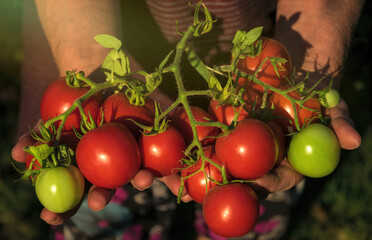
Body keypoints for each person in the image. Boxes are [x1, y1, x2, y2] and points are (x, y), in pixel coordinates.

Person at [12, 0, 363, 239]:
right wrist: (86, 54)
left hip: (250, 93)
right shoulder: (87, 106)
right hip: (93, 67)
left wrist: (313, 47)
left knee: (256, 196)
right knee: (103, 216)